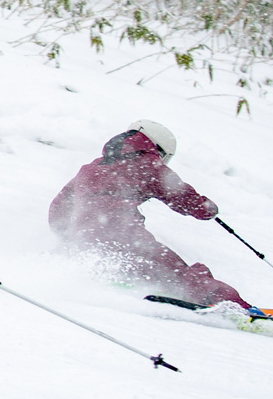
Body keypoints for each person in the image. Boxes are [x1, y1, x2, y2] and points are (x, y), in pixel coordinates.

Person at [49, 120, 256, 310]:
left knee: (132, 263)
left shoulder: (92, 167)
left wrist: (68, 236)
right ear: (158, 148)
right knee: (182, 275)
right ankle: (234, 307)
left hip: (85, 239)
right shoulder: (147, 164)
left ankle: (119, 280)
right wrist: (206, 208)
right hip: (124, 234)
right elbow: (179, 194)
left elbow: (58, 209)